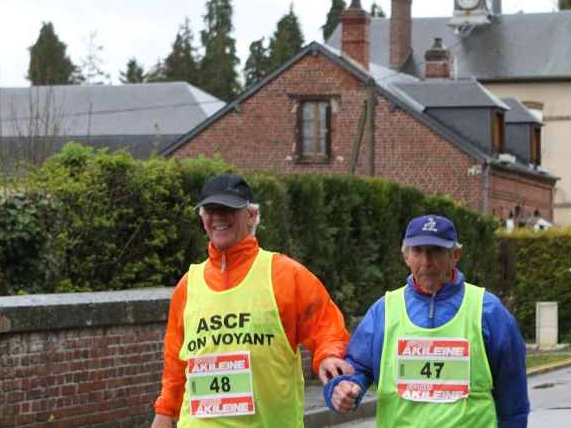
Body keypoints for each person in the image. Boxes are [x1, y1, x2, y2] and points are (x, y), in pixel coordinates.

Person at [152, 174, 353, 427]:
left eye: (228, 209)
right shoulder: (188, 285)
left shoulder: (286, 275)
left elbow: (327, 327)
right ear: (203, 219)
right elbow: (176, 361)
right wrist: (164, 411)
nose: (218, 217)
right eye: (210, 210)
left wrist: (328, 356)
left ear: (251, 216)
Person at [323, 214, 529, 427]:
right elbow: (355, 366)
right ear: (406, 256)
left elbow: (513, 397)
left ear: (456, 255)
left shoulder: (488, 311)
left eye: (436, 251)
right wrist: (342, 388)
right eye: (418, 251)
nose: (426, 262)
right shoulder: (384, 311)